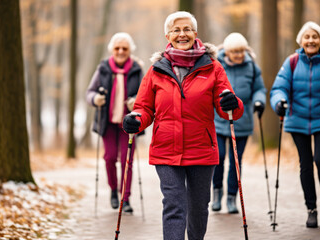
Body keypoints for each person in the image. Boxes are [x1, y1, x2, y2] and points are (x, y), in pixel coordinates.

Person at [122, 11, 244, 240]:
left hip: (201, 148)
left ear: (195, 33)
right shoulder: (156, 69)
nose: (182, 34)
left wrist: (232, 102)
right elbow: (144, 107)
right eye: (176, 30)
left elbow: (229, 109)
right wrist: (135, 119)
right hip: (166, 149)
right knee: (174, 206)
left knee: (198, 208)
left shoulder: (213, 67)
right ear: (167, 35)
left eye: (187, 29)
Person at [270, 21, 320, 228]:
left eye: (315, 36)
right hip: (297, 119)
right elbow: (279, 87)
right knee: (305, 164)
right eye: (307, 37)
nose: (311, 40)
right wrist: (279, 102)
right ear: (301, 41)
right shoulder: (292, 62)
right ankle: (311, 209)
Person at [86, 32, 143, 213]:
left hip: (129, 124)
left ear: (129, 51)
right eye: (117, 48)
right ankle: (113, 190)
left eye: (124, 48)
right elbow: (90, 93)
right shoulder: (103, 68)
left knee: (127, 161)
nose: (120, 51)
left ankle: (125, 199)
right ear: (112, 49)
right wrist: (96, 99)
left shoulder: (137, 69)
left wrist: (137, 102)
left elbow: (146, 96)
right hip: (108, 122)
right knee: (110, 158)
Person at [212, 33, 266, 213]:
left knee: (236, 160)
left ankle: (231, 198)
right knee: (218, 157)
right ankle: (217, 193)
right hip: (219, 119)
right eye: (234, 51)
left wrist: (259, 101)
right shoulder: (216, 64)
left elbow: (259, 89)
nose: (238, 54)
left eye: (241, 51)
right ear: (226, 51)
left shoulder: (251, 66)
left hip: (243, 120)